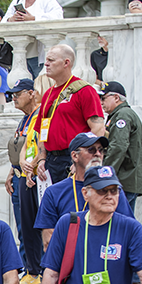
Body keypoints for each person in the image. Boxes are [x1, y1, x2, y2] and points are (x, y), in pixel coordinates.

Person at [35, 133, 134, 251]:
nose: (97, 154)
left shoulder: (112, 190)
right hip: (68, 263)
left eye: (101, 150)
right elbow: (48, 242)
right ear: (75, 156)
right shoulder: (54, 192)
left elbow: (128, 232)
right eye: (91, 150)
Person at [34, 44, 105, 185]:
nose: (46, 64)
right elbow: (42, 129)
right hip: (51, 160)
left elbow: (97, 129)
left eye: (51, 60)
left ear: (66, 63)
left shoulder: (84, 90)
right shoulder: (48, 94)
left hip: (74, 157)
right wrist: (41, 158)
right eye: (46, 60)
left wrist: (83, 159)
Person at [8, 78, 43, 284]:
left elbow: (40, 145)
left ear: (31, 93)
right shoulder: (24, 120)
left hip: (34, 175)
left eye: (18, 93)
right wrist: (10, 172)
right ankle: (30, 268)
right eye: (12, 94)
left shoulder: (40, 115)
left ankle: (37, 270)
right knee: (24, 226)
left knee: (36, 224)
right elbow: (21, 147)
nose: (14, 98)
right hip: (19, 175)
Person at [1, 0, 64, 78]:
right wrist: (12, 19)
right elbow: (3, 21)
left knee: (41, 88)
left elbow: (58, 16)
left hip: (39, 54)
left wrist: (33, 18)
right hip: (20, 53)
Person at [98, 81, 142, 211]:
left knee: (120, 221)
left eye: (103, 98)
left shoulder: (123, 115)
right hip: (124, 178)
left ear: (116, 97)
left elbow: (118, 147)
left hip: (124, 179)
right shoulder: (118, 115)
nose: (101, 102)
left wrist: (106, 173)